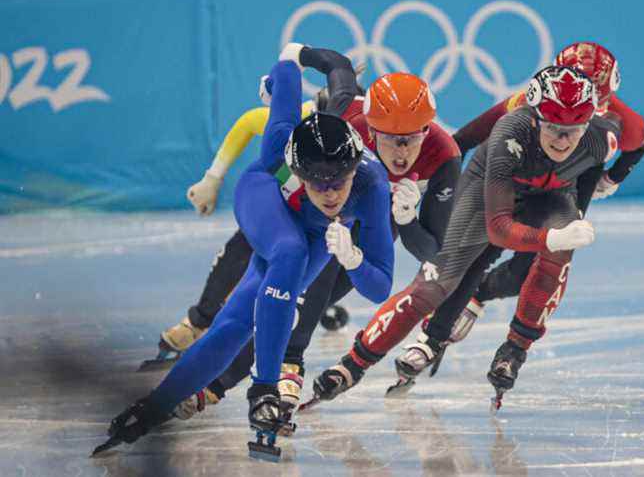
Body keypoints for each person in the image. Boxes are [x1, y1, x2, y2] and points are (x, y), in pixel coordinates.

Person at [97, 57, 394, 460]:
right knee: (287, 252)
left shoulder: (371, 186)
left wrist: (355, 259)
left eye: (338, 182)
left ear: (354, 169)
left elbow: (379, 286)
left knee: (236, 324)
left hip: (316, 235)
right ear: (298, 170)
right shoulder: (279, 149)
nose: (329, 194)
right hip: (265, 199)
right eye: (316, 183)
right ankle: (264, 389)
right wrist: (279, 74)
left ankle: (152, 407)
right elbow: (288, 73)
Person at [173, 52, 461, 429]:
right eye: (391, 140)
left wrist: (406, 219)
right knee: (283, 280)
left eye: (411, 140)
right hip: (317, 209)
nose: (402, 152)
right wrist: (294, 57)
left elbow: (433, 251)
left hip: (376, 217)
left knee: (314, 293)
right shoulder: (342, 118)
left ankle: (258, 372)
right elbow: (324, 77)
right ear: (370, 130)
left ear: (427, 130)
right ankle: (228, 360)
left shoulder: (445, 158)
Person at [308, 65, 620, 406]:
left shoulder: (602, 140)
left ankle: (515, 348)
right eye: (552, 128)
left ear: (588, 124)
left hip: (551, 198)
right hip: (489, 195)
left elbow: (628, 145)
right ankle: (355, 363)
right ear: (534, 118)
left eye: (572, 131)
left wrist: (585, 205)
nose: (562, 141)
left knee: (558, 254)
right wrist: (550, 239)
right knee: (435, 284)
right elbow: (499, 228)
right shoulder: (510, 133)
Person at [409, 41, 644, 381]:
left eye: (593, 105)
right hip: (510, 178)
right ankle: (434, 334)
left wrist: (610, 178)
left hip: (562, 189)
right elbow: (469, 136)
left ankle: (483, 300)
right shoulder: (526, 103)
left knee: (530, 267)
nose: (574, 116)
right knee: (481, 250)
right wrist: (433, 172)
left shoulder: (613, 125)